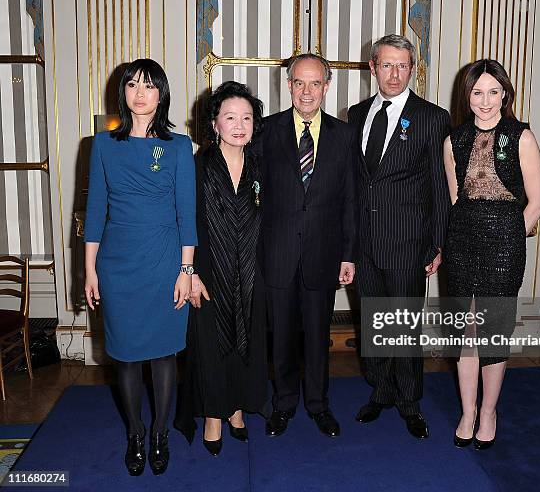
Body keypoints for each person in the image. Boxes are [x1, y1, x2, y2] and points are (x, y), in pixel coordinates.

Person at [84, 58, 196, 476]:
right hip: (117, 265)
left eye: (149, 86)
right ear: (123, 93)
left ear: (161, 93)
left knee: (165, 356)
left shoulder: (179, 146)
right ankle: (135, 433)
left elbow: (187, 213)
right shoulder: (102, 145)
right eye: (132, 85)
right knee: (126, 357)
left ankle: (160, 433)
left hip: (165, 262)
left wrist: (186, 271)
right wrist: (90, 270)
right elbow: (95, 212)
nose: (140, 93)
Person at [347, 34, 451, 439]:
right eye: (386, 65)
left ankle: (410, 402)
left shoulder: (432, 117)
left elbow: (440, 187)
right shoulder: (355, 114)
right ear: (372, 67)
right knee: (374, 323)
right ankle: (381, 392)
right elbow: (355, 183)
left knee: (405, 326)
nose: (394, 74)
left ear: (413, 69)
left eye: (402, 66)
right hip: (364, 242)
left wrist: (437, 243)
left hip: (409, 241)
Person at [443, 59, 540, 450]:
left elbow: (534, 202)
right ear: (467, 96)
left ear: (505, 94)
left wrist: (509, 237)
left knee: (492, 331)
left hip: (504, 241)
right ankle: (468, 411)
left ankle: (489, 412)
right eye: (477, 92)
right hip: (462, 241)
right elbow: (455, 199)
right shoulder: (453, 140)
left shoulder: (521, 137)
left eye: (493, 92)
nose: (485, 101)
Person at [259, 54, 358, 438]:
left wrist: (348, 253)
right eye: (299, 82)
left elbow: (350, 199)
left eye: (315, 83)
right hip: (277, 253)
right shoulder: (265, 131)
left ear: (327, 87)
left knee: (318, 337)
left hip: (324, 254)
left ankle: (318, 405)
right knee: (281, 336)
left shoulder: (344, 136)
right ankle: (283, 404)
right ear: (288, 85)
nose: (306, 91)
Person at [174, 81, 267, 457]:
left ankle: (237, 408)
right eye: (230, 117)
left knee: (248, 341)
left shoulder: (261, 166)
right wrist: (190, 272)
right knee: (210, 344)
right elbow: (185, 221)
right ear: (214, 123)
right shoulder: (196, 166)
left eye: (246, 117)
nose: (239, 124)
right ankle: (213, 414)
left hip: (251, 273)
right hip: (208, 272)